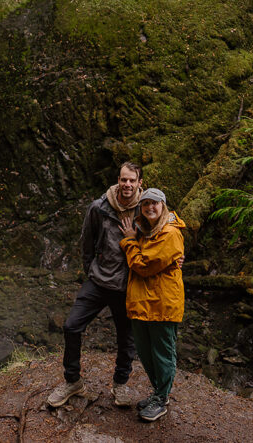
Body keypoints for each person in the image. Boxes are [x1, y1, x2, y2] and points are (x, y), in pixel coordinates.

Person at [47, 162, 142, 408]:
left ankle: (120, 384)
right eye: (124, 180)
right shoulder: (99, 207)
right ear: (118, 180)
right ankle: (72, 381)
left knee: (126, 337)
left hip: (127, 286)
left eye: (132, 180)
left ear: (139, 183)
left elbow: (165, 234)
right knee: (71, 325)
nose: (127, 184)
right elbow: (86, 241)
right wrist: (91, 270)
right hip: (99, 281)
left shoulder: (148, 209)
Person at [118, 187, 186, 423]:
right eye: (146, 204)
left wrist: (128, 242)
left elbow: (144, 265)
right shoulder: (145, 231)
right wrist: (134, 239)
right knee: (146, 353)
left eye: (155, 203)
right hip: (141, 303)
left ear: (163, 205)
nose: (150, 207)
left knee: (162, 353)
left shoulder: (169, 233)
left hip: (163, 303)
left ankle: (162, 398)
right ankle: (158, 393)